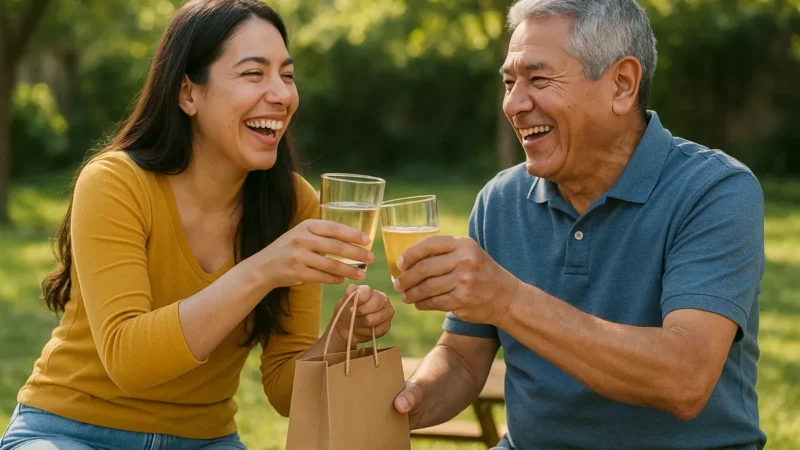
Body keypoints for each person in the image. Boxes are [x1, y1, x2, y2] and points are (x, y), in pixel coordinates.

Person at [0, 1, 395, 449]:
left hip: (204, 440)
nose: (282, 94)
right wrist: (263, 269)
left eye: (287, 75)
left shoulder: (294, 204)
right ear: (188, 93)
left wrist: (336, 338)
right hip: (71, 431)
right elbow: (128, 360)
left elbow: (287, 392)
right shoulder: (115, 183)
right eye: (253, 74)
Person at [392, 0, 766, 449]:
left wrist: (508, 300)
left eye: (538, 79)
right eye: (509, 82)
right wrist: (405, 404)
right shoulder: (500, 200)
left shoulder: (715, 191)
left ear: (622, 85)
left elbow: (684, 379)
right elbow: (464, 359)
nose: (513, 102)